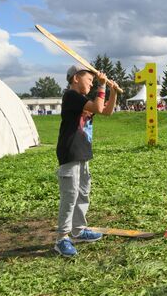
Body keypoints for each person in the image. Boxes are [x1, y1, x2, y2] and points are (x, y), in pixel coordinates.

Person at [54, 64, 119, 257]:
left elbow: (106, 111)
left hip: (82, 153)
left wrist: (113, 91)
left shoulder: (82, 99)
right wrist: (102, 85)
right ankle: (62, 238)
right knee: (70, 195)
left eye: (93, 81)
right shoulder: (71, 96)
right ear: (75, 78)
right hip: (70, 153)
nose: (91, 84)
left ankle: (79, 230)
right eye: (89, 80)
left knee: (83, 193)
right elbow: (99, 107)